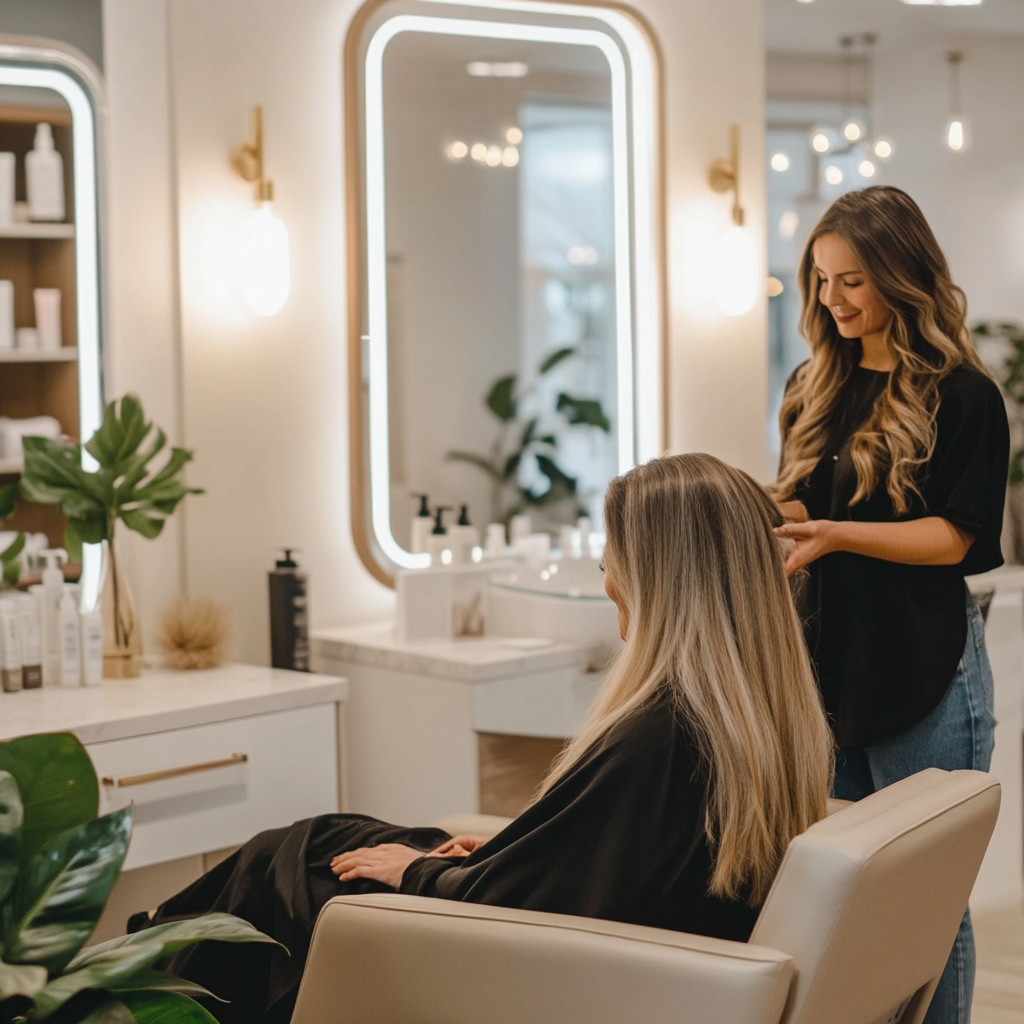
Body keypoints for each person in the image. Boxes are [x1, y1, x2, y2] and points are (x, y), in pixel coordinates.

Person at [137, 454, 834, 1024]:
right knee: (330, 838)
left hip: (541, 964)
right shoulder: (749, 716)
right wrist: (503, 848)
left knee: (278, 866)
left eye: (613, 555)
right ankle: (145, 959)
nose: (606, 576)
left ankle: (134, 980)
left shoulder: (665, 734)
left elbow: (535, 902)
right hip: (595, 939)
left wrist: (418, 874)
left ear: (661, 574)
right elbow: (602, 861)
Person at [772, 185, 1009, 1024]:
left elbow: (957, 539)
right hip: (825, 674)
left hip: (924, 671)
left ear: (900, 277)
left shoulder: (963, 394)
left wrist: (837, 535)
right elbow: (804, 503)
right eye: (822, 280)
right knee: (844, 895)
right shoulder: (814, 382)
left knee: (927, 904)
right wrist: (764, 512)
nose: (831, 300)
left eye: (852, 283)